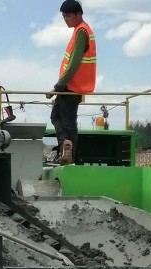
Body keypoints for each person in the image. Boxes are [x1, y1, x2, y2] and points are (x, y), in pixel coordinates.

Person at [46, 0, 96, 165]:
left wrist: (58, 86)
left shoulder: (82, 31)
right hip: (71, 86)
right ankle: (65, 146)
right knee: (56, 116)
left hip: (71, 86)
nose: (65, 19)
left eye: (68, 16)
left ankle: (69, 153)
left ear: (78, 14)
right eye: (63, 16)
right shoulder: (79, 30)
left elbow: (73, 63)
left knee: (68, 122)